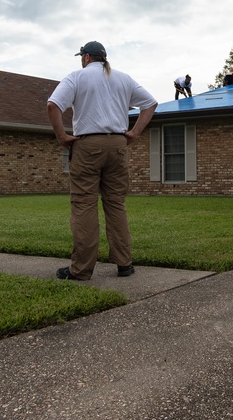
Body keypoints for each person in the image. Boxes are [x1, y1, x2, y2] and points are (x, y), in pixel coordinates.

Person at [47, 41, 158, 280]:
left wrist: (61, 136)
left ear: (86, 57)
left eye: (81, 56)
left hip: (87, 144)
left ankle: (81, 269)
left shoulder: (76, 77)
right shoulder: (123, 78)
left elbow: (53, 105)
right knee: (115, 203)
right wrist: (134, 133)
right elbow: (150, 104)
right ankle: (124, 263)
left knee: (84, 204)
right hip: (118, 144)